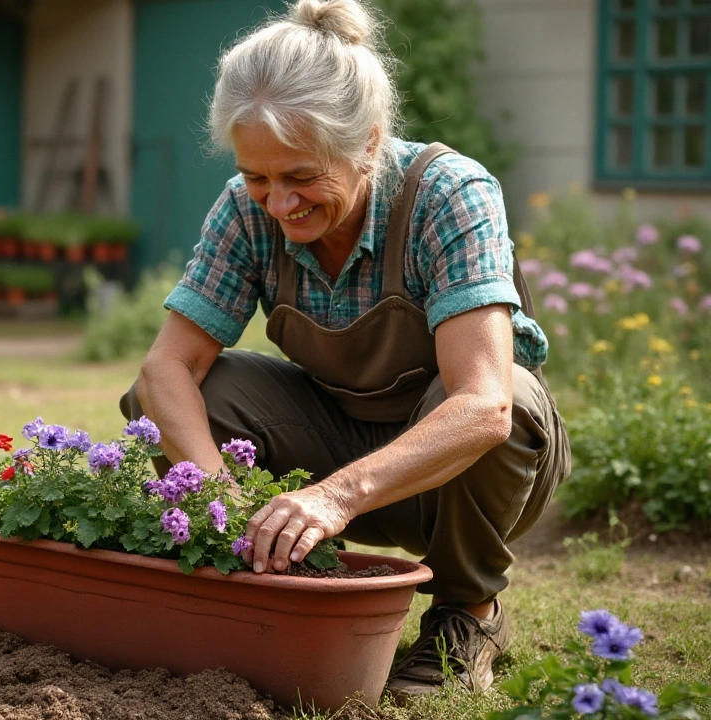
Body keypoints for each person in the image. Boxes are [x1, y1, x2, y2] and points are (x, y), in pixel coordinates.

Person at [119, 0, 571, 700]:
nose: (279, 203)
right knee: (182, 399)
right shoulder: (247, 209)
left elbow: (482, 407)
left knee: (507, 400)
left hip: (460, 475)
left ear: (367, 142)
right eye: (257, 176)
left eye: (301, 176)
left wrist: (336, 497)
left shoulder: (448, 194)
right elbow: (165, 368)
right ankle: (273, 582)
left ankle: (466, 614)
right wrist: (219, 495)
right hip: (333, 434)